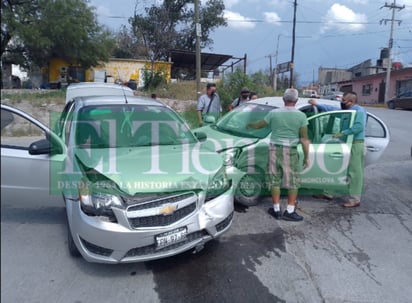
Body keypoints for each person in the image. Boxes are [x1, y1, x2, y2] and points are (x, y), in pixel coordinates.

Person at [247, 88, 310, 221]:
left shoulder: (274, 113)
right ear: (296, 101)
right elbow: (304, 139)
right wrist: (307, 157)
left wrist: (248, 125)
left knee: (274, 180)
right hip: (290, 151)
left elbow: (260, 125)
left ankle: (276, 209)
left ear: (283, 99)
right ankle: (290, 211)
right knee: (293, 182)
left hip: (274, 149)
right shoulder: (301, 116)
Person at [308, 91, 367, 208]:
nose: (341, 102)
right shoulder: (346, 112)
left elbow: (359, 126)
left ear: (351, 101)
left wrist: (343, 133)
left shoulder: (359, 111)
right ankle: (328, 193)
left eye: (343, 100)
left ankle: (355, 199)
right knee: (336, 169)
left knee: (354, 173)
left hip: (355, 144)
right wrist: (317, 104)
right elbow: (332, 109)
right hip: (345, 144)